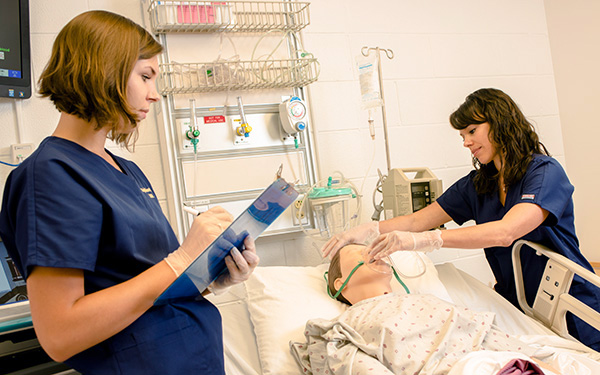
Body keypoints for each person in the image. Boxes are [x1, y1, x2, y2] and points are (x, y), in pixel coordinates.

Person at [0, 11, 258, 374]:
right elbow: (59, 333)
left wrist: (211, 277)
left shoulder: (125, 170)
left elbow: (149, 285)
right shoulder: (51, 175)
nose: (154, 95)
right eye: (145, 76)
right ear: (102, 70)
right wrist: (182, 258)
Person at [321, 88, 600, 352]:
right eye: (462, 135)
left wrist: (429, 240)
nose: (466, 142)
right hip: (519, 305)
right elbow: (418, 221)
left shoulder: (543, 172)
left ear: (501, 123)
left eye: (472, 131)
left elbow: (506, 232)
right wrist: (364, 231)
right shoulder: (480, 184)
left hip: (570, 301)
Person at [291, 244, 568, 375]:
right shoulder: (343, 328)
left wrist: (546, 364)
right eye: (361, 253)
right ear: (340, 283)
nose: (373, 253)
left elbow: (487, 336)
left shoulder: (427, 301)